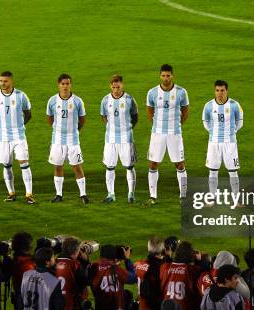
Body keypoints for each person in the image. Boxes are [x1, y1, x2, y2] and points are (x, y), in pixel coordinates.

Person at [0, 71, 35, 203]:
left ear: (11, 81)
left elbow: (28, 114)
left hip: (19, 137)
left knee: (24, 163)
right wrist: (3, 125)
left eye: (5, 81)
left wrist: (19, 125)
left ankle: (29, 194)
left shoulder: (21, 96)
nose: (2, 83)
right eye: (1, 81)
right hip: (3, 138)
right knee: (6, 165)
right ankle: (11, 193)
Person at [146, 64, 189, 205]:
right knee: (153, 164)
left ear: (172, 76)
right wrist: (157, 125)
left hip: (174, 133)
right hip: (157, 133)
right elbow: (150, 111)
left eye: (168, 75)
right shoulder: (152, 92)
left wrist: (177, 125)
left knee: (179, 164)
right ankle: (153, 196)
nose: (165, 78)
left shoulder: (181, 92)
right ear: (160, 76)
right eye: (163, 75)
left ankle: (183, 195)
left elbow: (185, 111)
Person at [46, 74, 89, 204]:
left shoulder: (77, 101)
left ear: (71, 85)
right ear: (59, 85)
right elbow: (50, 119)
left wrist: (73, 131)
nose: (65, 86)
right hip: (57, 140)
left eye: (67, 84)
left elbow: (82, 120)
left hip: (73, 140)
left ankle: (83, 194)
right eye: (63, 84)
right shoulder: (52, 101)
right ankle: (58, 194)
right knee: (58, 166)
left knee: (77, 166)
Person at [100, 74, 139, 203]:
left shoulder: (129, 99)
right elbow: (104, 116)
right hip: (110, 139)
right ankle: (111, 194)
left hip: (126, 139)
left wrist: (126, 129)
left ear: (122, 85)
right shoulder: (105, 100)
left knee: (129, 166)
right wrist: (111, 128)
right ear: (110, 86)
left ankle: (131, 194)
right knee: (110, 167)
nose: (116, 89)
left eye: (118, 86)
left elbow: (135, 117)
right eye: (113, 87)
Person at [202, 80, 243, 202]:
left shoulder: (234, 105)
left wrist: (231, 132)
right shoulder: (208, 105)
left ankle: (236, 199)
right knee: (213, 171)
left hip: (230, 142)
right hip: (214, 143)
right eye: (217, 90)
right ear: (214, 91)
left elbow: (239, 122)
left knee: (233, 171)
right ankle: (212, 198)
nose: (220, 93)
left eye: (222, 90)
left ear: (227, 91)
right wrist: (213, 132)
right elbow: (206, 122)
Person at [160, 241, 205, 309]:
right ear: (191, 256)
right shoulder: (191, 270)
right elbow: (202, 274)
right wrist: (198, 261)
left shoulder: (164, 267)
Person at [89, 245, 137, 310]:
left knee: (127, 294)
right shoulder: (116, 270)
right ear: (114, 258)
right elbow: (133, 278)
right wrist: (127, 259)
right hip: (116, 307)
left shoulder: (93, 267)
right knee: (128, 295)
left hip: (100, 307)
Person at [54, 236, 90, 309]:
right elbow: (86, 281)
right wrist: (85, 262)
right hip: (71, 305)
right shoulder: (76, 265)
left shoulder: (53, 262)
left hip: (55, 305)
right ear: (76, 251)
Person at [135, 237, 164, 310]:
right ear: (162, 249)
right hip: (156, 305)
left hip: (142, 306)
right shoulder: (162, 267)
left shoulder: (138, 264)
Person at [11, 232, 36, 310]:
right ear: (27, 246)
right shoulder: (27, 265)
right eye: (31, 243)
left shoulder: (18, 259)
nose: (32, 246)